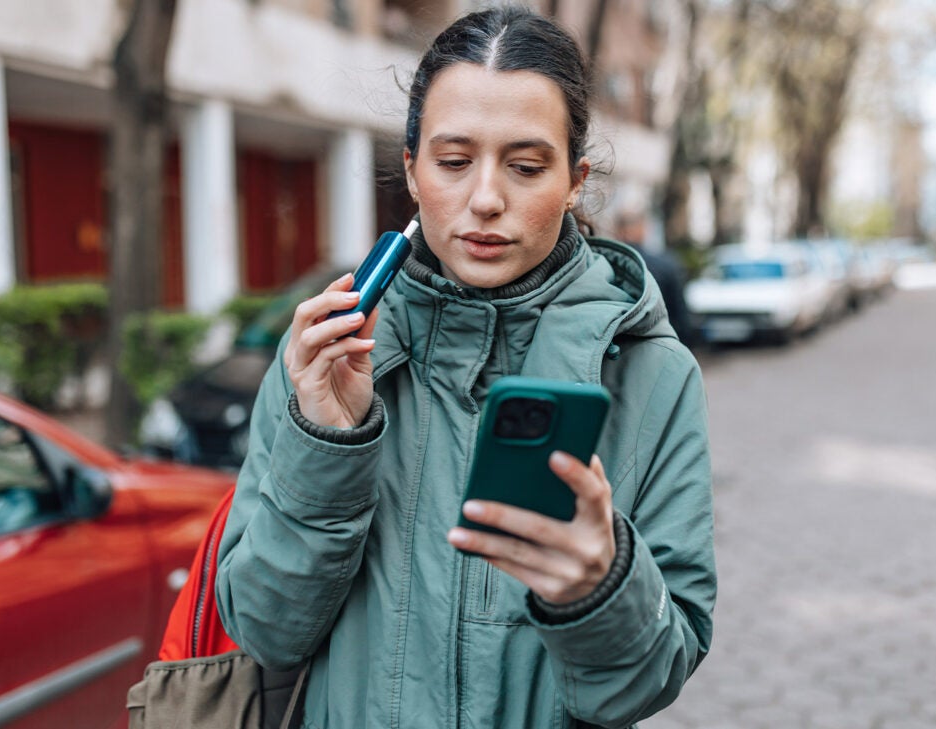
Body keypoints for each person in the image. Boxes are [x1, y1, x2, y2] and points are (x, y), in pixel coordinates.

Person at [215, 6, 716, 727]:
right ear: (413, 170)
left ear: (574, 180)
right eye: (454, 162)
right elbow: (264, 629)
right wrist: (327, 444)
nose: (485, 199)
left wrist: (600, 585)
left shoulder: (655, 374)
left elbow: (647, 680)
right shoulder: (327, 356)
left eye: (526, 165)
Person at [615, 211, 694, 346]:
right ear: (642, 230)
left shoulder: (607, 265)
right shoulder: (666, 265)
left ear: (619, 231)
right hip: (662, 344)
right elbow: (680, 314)